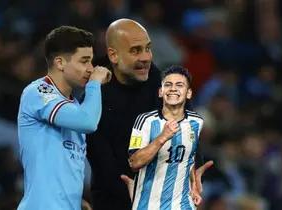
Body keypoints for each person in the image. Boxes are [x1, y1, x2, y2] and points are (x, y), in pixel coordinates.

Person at [87, 18, 212, 210]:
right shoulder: (93, 89)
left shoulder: (162, 84)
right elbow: (101, 162)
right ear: (113, 55)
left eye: (148, 48)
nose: (146, 57)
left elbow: (189, 130)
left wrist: (195, 167)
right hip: (113, 200)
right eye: (136, 50)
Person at [17, 26, 111, 210]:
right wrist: (94, 84)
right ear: (60, 63)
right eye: (84, 61)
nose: (91, 69)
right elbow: (88, 122)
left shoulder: (75, 107)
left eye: (91, 62)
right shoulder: (38, 91)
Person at [128, 65, 202, 210]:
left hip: (183, 205)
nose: (173, 88)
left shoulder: (197, 122)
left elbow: (190, 158)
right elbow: (134, 162)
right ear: (161, 92)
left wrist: (194, 184)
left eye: (179, 85)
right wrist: (162, 137)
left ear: (188, 93)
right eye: (168, 85)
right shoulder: (145, 121)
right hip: (148, 205)